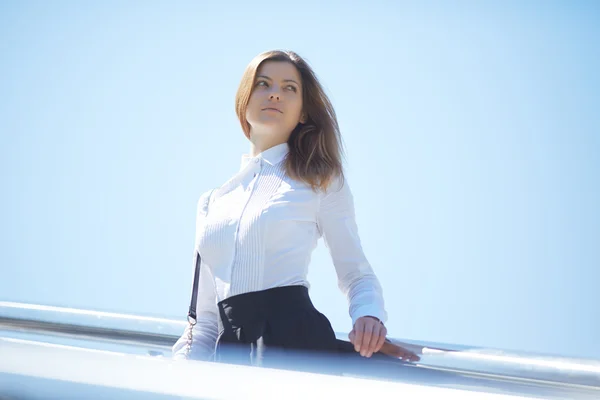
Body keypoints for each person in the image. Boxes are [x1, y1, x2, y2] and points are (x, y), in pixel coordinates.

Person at [172, 50, 418, 370]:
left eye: (290, 88)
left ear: (303, 112)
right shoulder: (212, 202)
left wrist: (368, 316)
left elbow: (356, 273)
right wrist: (180, 375)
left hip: (297, 345)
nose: (275, 92)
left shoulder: (320, 180)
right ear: (244, 101)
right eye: (263, 83)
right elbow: (203, 320)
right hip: (230, 358)